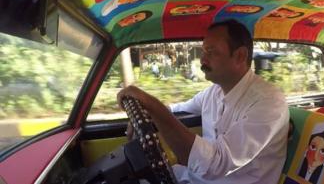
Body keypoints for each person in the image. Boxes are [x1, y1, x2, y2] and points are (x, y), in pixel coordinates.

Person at [117, 20, 289, 183]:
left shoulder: (269, 102)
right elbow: (178, 109)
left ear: (240, 56)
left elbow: (216, 164)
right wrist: (148, 111)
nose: (202, 60)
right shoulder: (214, 93)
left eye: (211, 52)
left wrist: (152, 105)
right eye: (204, 51)